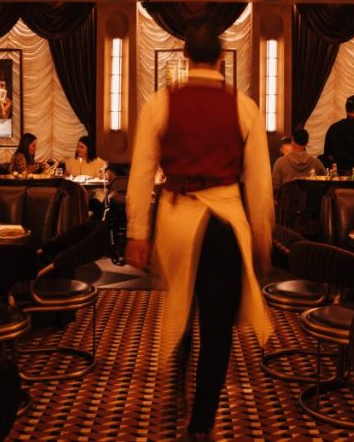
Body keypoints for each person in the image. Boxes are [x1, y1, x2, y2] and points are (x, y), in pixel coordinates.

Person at [125, 22, 273, 438]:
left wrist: (138, 232)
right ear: (222, 59)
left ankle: (177, 384)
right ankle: (203, 421)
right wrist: (262, 238)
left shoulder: (160, 103)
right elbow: (260, 181)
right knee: (217, 322)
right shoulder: (244, 106)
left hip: (176, 220)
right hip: (226, 221)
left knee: (181, 306)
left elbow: (140, 172)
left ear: (184, 56)